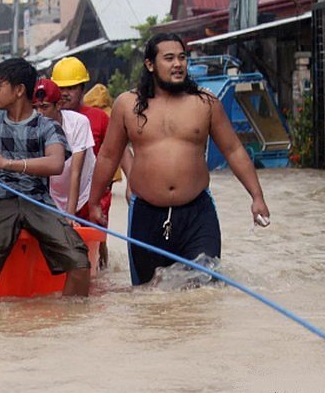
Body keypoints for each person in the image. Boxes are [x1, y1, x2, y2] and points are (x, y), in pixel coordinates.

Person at [87, 33, 271, 286]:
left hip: (197, 214)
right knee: (150, 298)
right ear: (150, 64)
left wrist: (257, 197)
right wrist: (94, 201)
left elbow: (234, 150)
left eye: (182, 58)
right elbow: (108, 155)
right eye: (169, 58)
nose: (178, 64)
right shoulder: (127, 104)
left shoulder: (205, 102)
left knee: (202, 293)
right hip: (146, 215)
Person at [0, 58, 91, 297]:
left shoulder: (46, 126)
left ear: (19, 90)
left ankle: (70, 326)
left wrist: (6, 163)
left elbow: (56, 163)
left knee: (79, 263)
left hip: (37, 201)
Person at [51, 57, 132, 267]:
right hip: (59, 192)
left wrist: (132, 184)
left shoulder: (99, 118)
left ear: (82, 89)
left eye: (72, 87)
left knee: (95, 238)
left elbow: (120, 150)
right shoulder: (46, 119)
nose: (65, 93)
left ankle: (100, 269)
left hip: (93, 193)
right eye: (61, 88)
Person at [32, 78, 95, 225]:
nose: (39, 113)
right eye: (35, 108)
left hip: (82, 195)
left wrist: (70, 216)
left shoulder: (79, 123)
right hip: (52, 198)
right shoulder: (31, 127)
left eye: (44, 107)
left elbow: (76, 172)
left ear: (58, 105)